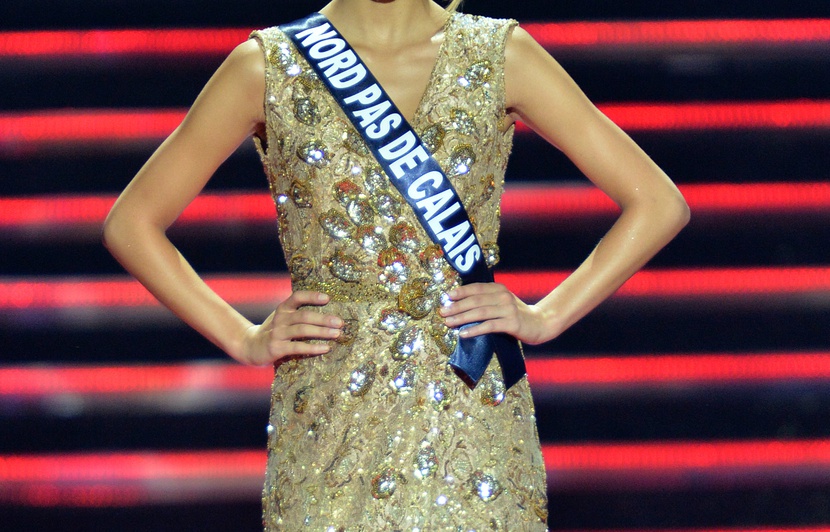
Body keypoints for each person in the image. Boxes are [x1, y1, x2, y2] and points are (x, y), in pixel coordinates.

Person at [103, 0, 689, 529]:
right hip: (328, 421)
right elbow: (132, 223)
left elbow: (658, 203)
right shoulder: (265, 66)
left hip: (469, 413)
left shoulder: (500, 54)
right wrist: (243, 335)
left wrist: (547, 314)